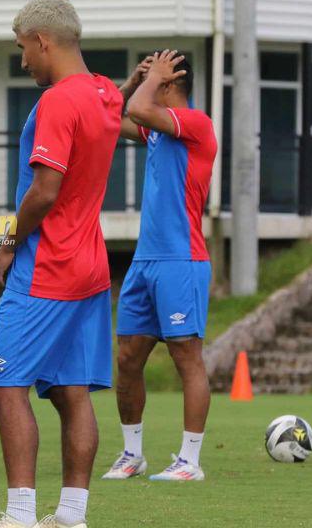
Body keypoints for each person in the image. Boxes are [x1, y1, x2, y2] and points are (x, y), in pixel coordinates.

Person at [0, 0, 121, 528]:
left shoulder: (60, 101)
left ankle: (20, 516)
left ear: (43, 41)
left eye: (23, 49)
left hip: (49, 265)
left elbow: (44, 190)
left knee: (4, 386)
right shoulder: (105, 92)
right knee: (71, 391)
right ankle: (71, 516)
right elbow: (114, 113)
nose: (23, 61)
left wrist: (8, 243)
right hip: (91, 264)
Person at [102, 50, 217, 483]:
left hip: (181, 261)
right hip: (145, 261)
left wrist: (146, 88)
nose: (148, 80)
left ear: (170, 83)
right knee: (128, 357)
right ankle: (133, 454)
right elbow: (109, 116)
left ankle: (190, 461)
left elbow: (137, 109)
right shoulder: (155, 130)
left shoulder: (197, 124)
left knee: (187, 357)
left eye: (155, 76)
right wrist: (133, 79)